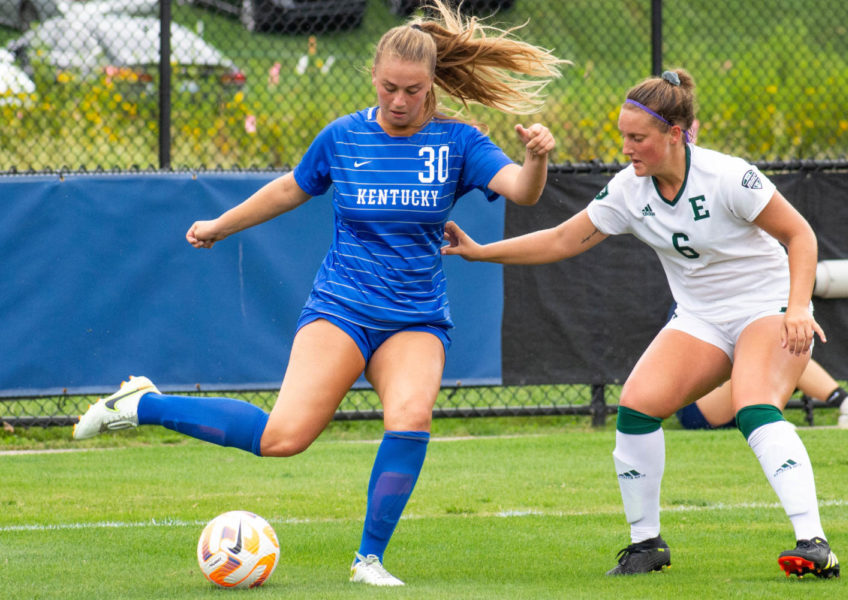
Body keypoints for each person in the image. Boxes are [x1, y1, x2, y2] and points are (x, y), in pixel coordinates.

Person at [72, 1, 567, 587]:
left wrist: (535, 159)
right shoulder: (344, 136)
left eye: (412, 90)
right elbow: (288, 189)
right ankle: (140, 404)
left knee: (411, 416)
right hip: (342, 307)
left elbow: (522, 192)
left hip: (415, 317)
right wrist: (218, 225)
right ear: (374, 78)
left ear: (432, 83)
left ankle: (369, 560)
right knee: (281, 439)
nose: (400, 101)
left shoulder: (458, 143)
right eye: (389, 88)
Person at [442, 68, 840, 579]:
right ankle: (645, 545)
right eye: (622, 136)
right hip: (701, 319)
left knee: (754, 408)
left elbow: (800, 235)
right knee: (636, 407)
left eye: (637, 138)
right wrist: (480, 253)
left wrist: (798, 307)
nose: (626, 148)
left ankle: (814, 544)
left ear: (675, 134)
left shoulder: (727, 176)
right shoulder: (630, 190)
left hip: (765, 307)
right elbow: (564, 239)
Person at [678, 358, 848, 429]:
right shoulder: (697, 300)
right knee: (781, 353)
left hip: (745, 403)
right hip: (700, 407)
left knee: (789, 351)